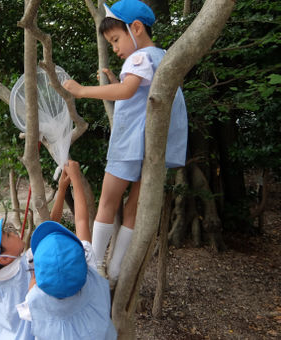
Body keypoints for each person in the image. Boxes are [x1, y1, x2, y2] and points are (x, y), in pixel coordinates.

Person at [63, 0, 188, 281]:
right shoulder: (164, 56)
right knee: (134, 206)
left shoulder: (138, 58)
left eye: (116, 40)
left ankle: (93, 265)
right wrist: (114, 79)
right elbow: (141, 90)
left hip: (128, 144)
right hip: (153, 149)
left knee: (108, 203)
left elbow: (129, 90)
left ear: (137, 28)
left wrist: (82, 91)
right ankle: (117, 268)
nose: (116, 49)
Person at [0, 168, 72, 340]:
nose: (13, 232)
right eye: (8, 235)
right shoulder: (26, 266)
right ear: (4, 259)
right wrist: (62, 189)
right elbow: (50, 227)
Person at [16, 161, 117, 339]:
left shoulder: (34, 299)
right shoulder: (90, 276)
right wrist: (76, 179)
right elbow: (81, 221)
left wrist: (61, 190)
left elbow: (53, 227)